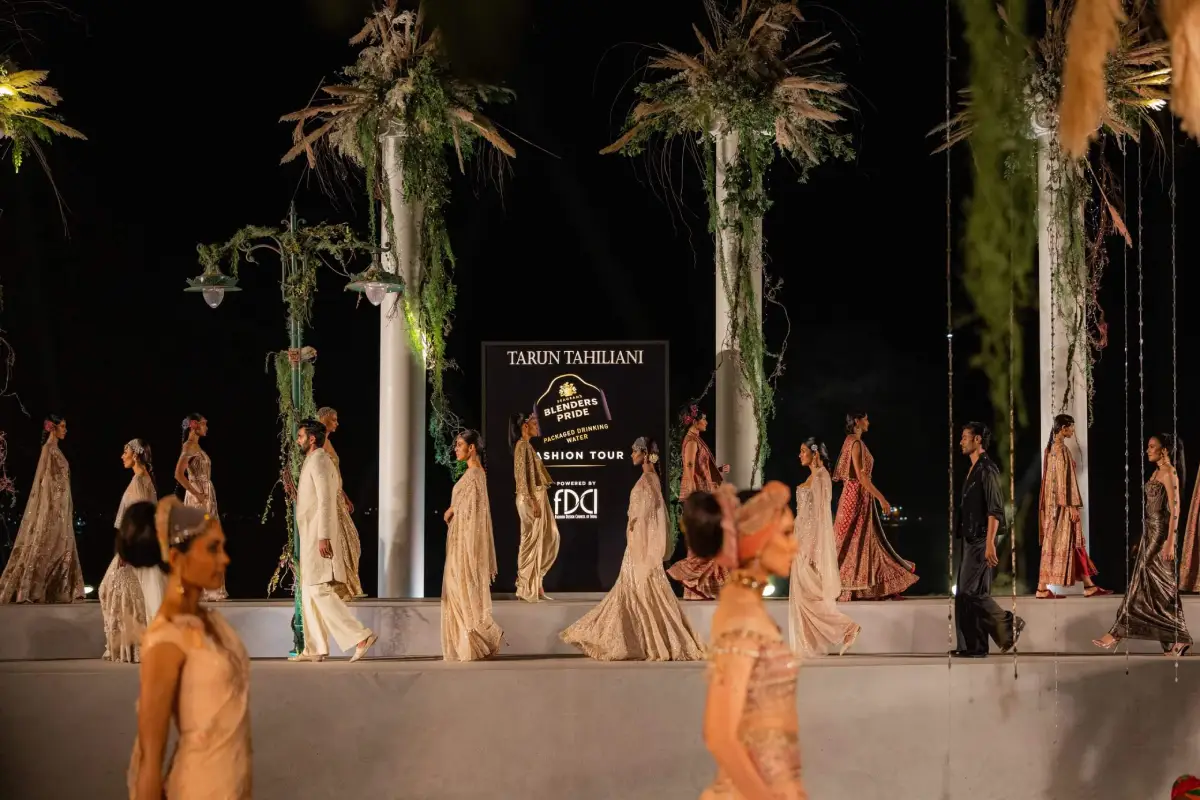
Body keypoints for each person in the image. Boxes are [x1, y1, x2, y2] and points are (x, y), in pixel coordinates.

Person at [683, 481, 805, 800]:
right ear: (757, 538)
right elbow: (719, 735)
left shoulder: (746, 604)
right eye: (787, 533)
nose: (795, 545)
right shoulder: (742, 616)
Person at [125, 498, 251, 799]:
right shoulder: (166, 639)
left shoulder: (211, 621)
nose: (225, 559)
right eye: (212, 549)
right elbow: (150, 759)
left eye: (223, 547)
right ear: (176, 557)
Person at [561, 437, 703, 661]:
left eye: (635, 451)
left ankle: (644, 642)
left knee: (640, 593)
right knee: (633, 593)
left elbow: (650, 519)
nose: (631, 455)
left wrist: (644, 549)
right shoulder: (650, 479)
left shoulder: (648, 480)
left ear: (645, 454)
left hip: (640, 548)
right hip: (637, 545)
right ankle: (640, 641)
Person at [1094, 434, 1192, 656]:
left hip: (1161, 534)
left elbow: (1175, 510)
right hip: (1150, 531)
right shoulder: (1156, 472)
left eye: (1152, 446)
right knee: (1161, 585)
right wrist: (1141, 537)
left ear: (1165, 450)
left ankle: (1117, 632)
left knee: (1141, 580)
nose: (1147, 450)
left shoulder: (1169, 473)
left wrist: (1170, 541)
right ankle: (1175, 640)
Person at [288, 419, 376, 662]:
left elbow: (326, 500)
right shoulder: (312, 460)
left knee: (318, 588)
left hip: (318, 534)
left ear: (312, 439)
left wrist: (323, 536)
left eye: (300, 436)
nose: (297, 440)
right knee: (309, 590)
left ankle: (360, 636)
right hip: (310, 534)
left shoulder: (320, 460)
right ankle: (314, 648)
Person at [953, 422, 1024, 658]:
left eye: (965, 437)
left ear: (978, 440)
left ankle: (1008, 625)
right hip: (970, 538)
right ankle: (974, 647)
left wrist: (990, 542)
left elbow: (995, 509)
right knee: (972, 593)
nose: (961, 441)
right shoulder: (974, 468)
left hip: (981, 539)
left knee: (968, 592)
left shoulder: (987, 469)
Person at [832, 411, 918, 600]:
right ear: (857, 421)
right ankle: (838, 585)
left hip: (856, 497)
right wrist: (882, 499)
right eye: (866, 419)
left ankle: (868, 586)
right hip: (855, 499)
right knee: (851, 542)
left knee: (863, 542)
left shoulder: (851, 441)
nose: (868, 422)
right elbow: (862, 477)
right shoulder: (855, 443)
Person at [0, 414, 84, 603]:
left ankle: (60, 588)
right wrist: (45, 506)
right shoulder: (48, 449)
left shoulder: (57, 450)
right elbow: (40, 479)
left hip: (62, 507)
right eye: (62, 426)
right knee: (46, 543)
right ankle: (33, 589)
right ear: (53, 428)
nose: (65, 430)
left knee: (62, 544)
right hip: (52, 507)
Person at [789, 438, 859, 657]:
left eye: (803, 451)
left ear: (815, 452)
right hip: (800, 542)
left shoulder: (821, 477)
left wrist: (812, 549)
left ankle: (847, 628)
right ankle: (809, 645)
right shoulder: (812, 477)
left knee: (810, 596)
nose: (800, 455)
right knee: (802, 596)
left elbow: (820, 517)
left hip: (809, 545)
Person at [442, 429, 504, 661]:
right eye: (456, 445)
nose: (456, 449)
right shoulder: (472, 473)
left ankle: (480, 637)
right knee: (456, 590)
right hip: (459, 540)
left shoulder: (476, 474)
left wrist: (454, 509)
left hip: (465, 543)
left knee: (460, 589)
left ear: (472, 448)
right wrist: (454, 508)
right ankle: (470, 641)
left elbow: (476, 513)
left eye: (459, 445)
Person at [100, 439, 162, 662]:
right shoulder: (143, 478)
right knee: (123, 593)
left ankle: (132, 646)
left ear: (135, 455)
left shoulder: (139, 480)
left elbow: (140, 519)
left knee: (112, 590)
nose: (122, 456)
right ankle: (129, 646)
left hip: (134, 547)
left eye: (125, 451)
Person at [1037, 414, 1110, 598]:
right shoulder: (1060, 450)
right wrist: (1071, 507)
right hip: (1062, 507)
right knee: (1062, 543)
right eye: (1071, 428)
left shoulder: (1050, 449)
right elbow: (1062, 481)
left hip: (1053, 506)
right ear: (1063, 428)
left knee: (1067, 543)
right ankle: (1042, 588)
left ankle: (1087, 585)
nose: (1073, 431)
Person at [667, 406, 731, 599]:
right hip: (698, 497)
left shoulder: (696, 440)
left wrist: (718, 470)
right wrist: (695, 498)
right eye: (704, 419)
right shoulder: (692, 442)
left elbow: (698, 468)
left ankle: (703, 588)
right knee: (703, 541)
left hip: (703, 496)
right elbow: (689, 468)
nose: (706, 422)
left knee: (709, 539)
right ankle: (688, 577)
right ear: (695, 421)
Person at [509, 412, 559, 602]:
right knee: (530, 541)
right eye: (535, 424)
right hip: (530, 498)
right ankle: (525, 585)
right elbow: (521, 478)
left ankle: (536, 581)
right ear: (525, 426)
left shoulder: (528, 446)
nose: (538, 427)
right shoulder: (521, 446)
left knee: (550, 537)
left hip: (538, 496)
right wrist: (532, 501)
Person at [175, 413, 225, 601]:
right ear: (194, 426)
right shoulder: (189, 446)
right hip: (199, 497)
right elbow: (178, 474)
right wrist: (196, 494)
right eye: (204, 424)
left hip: (206, 495)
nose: (206, 427)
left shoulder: (196, 447)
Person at [317, 406, 364, 599]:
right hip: (329, 498)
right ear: (323, 420)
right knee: (341, 539)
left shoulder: (327, 442)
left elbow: (334, 474)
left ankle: (348, 584)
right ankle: (339, 586)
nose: (337, 423)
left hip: (337, 496)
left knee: (351, 540)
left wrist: (344, 495)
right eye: (333, 419)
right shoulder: (318, 444)